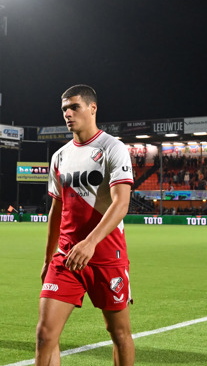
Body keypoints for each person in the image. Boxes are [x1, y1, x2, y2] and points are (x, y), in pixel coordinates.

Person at [35, 85, 135, 365]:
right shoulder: (60, 156)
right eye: (64, 108)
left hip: (106, 256)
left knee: (119, 332)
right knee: (45, 335)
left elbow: (121, 204)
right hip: (66, 257)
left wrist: (90, 243)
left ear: (92, 108)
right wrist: (48, 257)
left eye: (74, 107)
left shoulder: (112, 148)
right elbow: (57, 209)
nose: (68, 113)